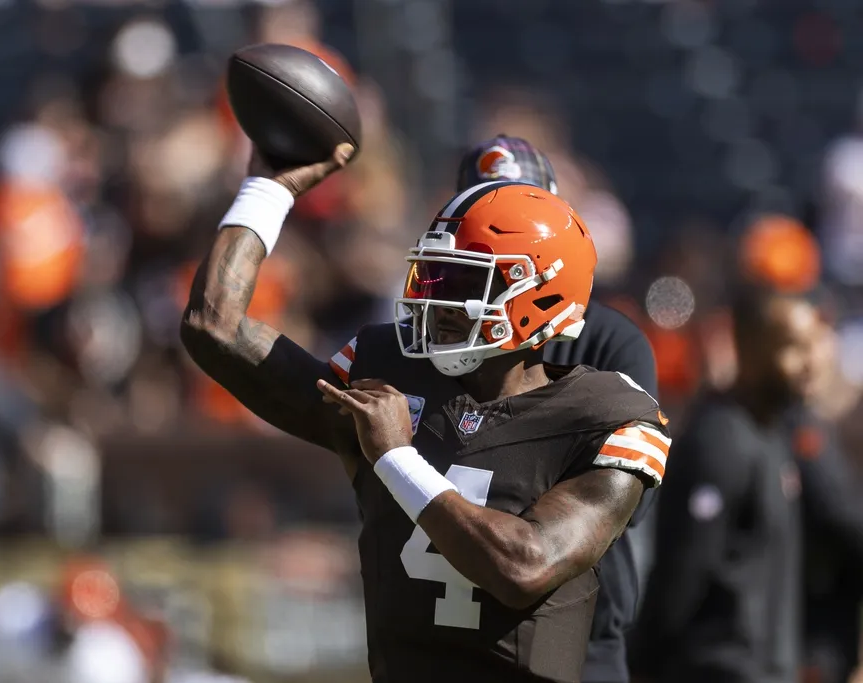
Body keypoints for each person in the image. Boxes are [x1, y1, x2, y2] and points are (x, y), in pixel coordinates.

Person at [180, 144, 671, 682]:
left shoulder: (610, 419)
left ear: (542, 297)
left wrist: (397, 459)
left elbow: (523, 566)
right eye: (432, 276)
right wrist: (268, 188)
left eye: (463, 284)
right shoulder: (389, 370)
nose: (434, 301)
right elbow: (214, 326)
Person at [457, 134, 658, 683]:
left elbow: (623, 501)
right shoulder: (439, 333)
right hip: (461, 629)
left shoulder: (613, 340)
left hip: (579, 634)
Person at [630, 287, 821, 683]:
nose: (809, 364)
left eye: (812, 347)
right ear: (748, 349)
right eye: (793, 348)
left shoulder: (772, 433)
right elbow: (682, 574)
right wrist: (642, 663)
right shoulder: (720, 439)